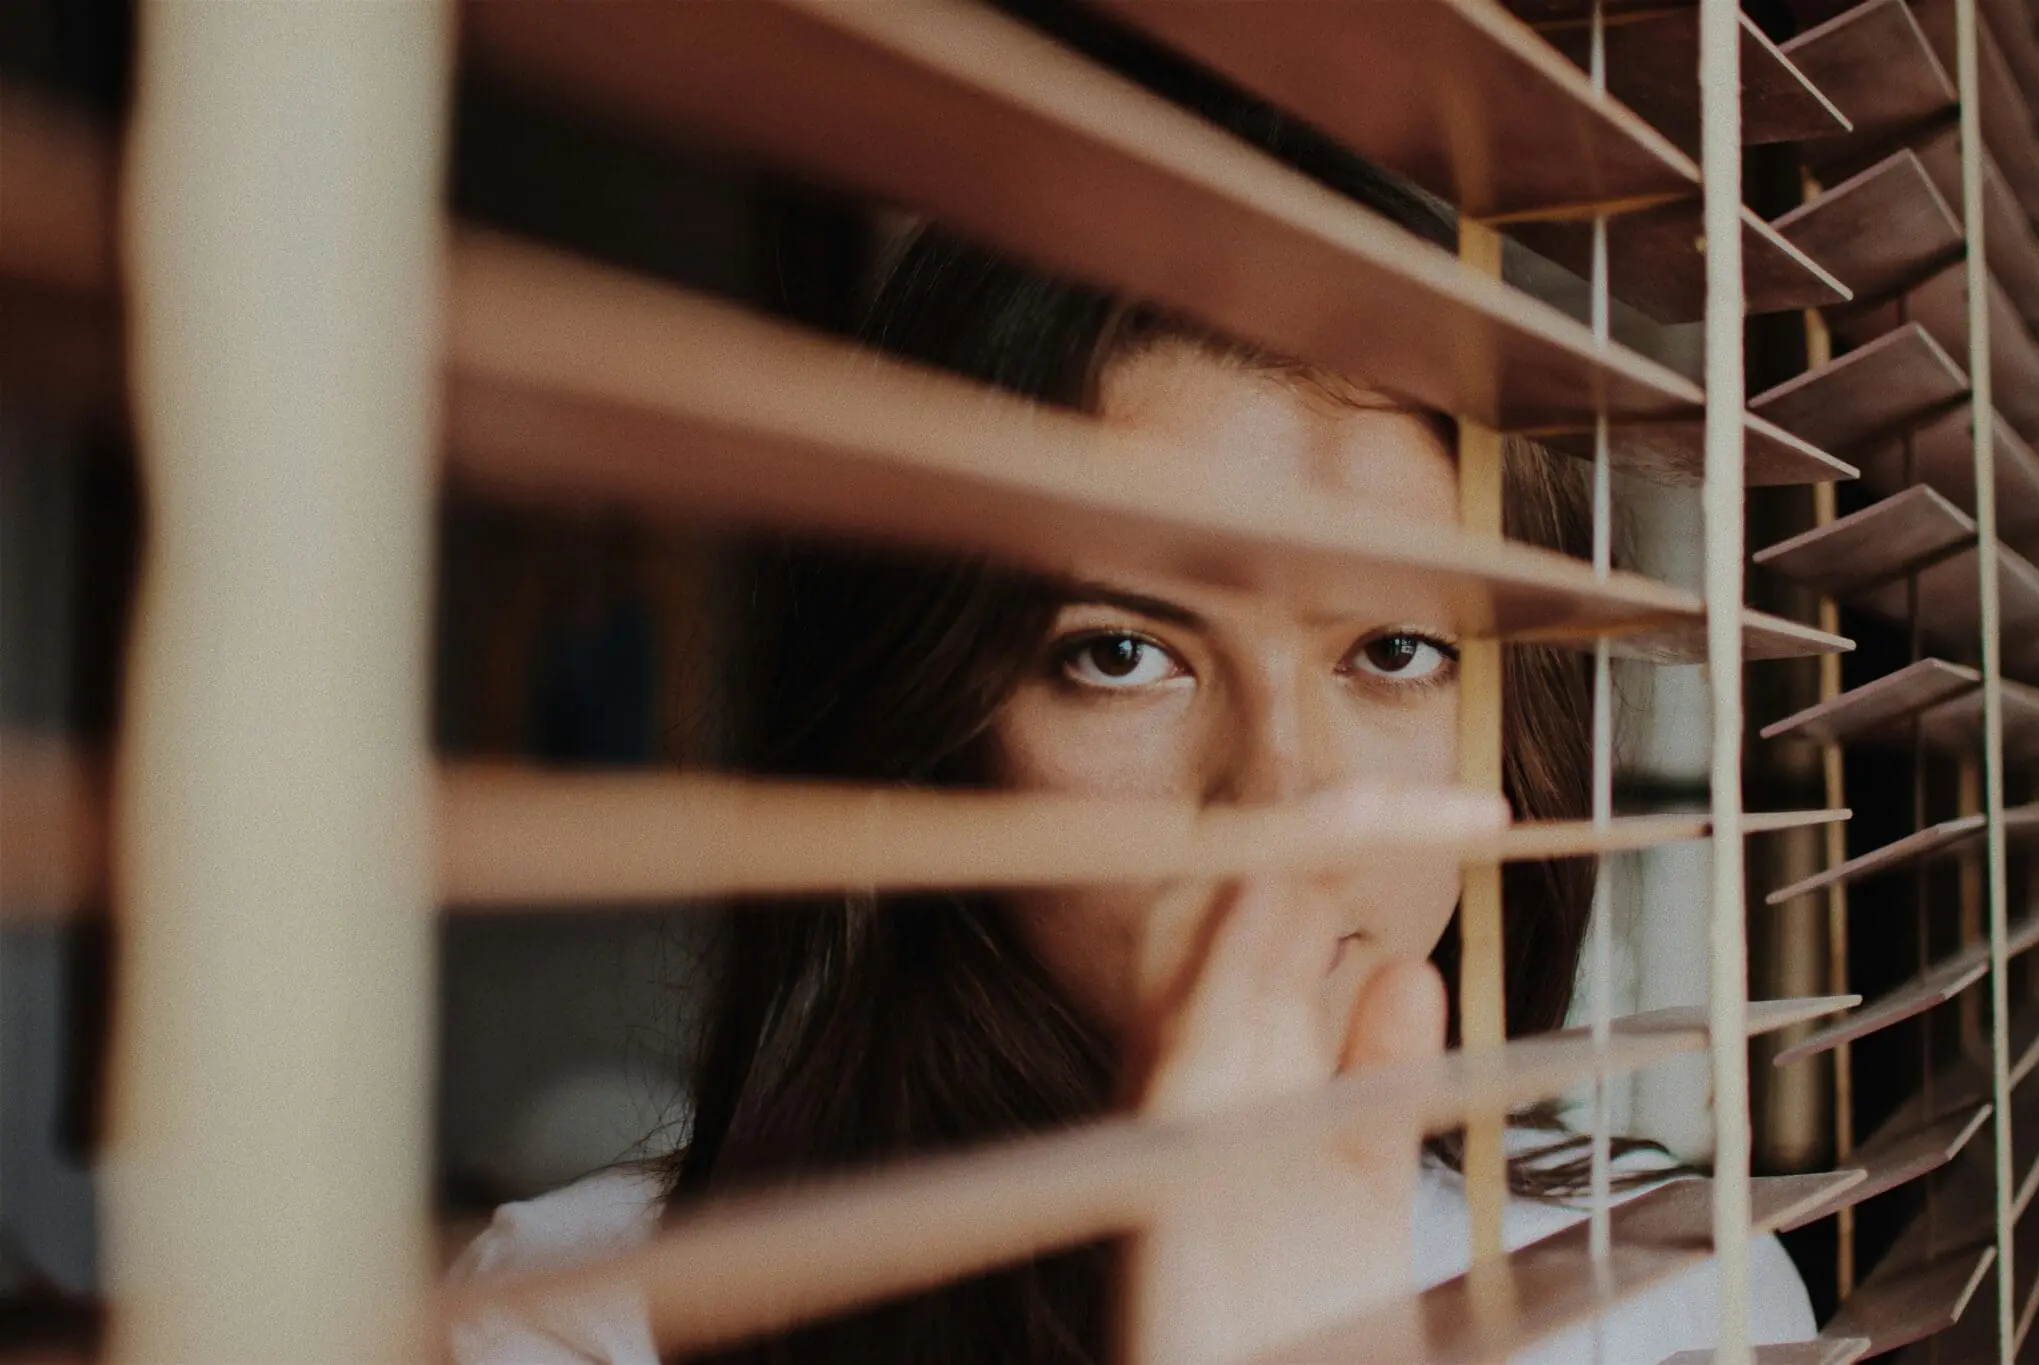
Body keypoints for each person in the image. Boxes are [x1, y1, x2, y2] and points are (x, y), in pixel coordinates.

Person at [449, 81, 1818, 1365]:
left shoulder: (1664, 1304)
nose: (1281, 798)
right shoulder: (588, 1319)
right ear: (939, 724)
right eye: (1120, 653)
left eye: (1395, 651)